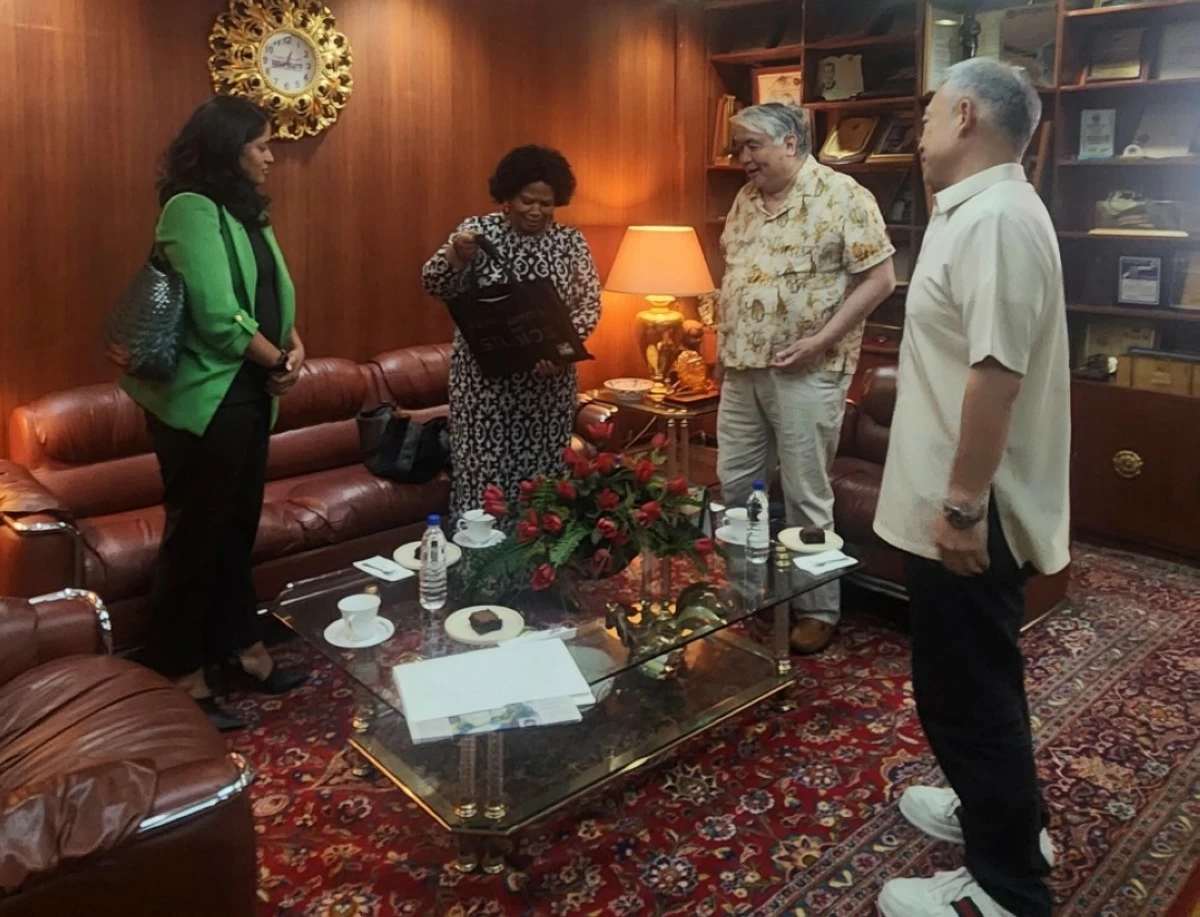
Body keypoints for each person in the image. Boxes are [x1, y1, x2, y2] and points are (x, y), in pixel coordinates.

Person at [873, 58, 1069, 917]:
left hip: (971, 514)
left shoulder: (993, 219)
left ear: (962, 115)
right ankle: (1002, 818)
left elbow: (996, 374)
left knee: (966, 694)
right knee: (976, 681)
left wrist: (959, 506)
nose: (916, 133)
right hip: (958, 503)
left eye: (925, 115)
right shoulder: (981, 211)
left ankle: (1006, 889)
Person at [121, 96, 309, 732]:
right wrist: (274, 357)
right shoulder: (189, 210)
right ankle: (179, 672)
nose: (270, 155)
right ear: (229, 148)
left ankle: (242, 651)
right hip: (205, 401)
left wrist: (293, 344)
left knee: (235, 533)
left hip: (251, 395)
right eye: (260, 144)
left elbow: (271, 296)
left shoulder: (247, 213)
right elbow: (217, 314)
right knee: (196, 540)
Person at [716, 103, 896, 654]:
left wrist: (821, 339)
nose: (743, 158)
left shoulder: (844, 197)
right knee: (734, 486)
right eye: (739, 147)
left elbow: (881, 279)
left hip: (809, 372)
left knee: (805, 495)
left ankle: (817, 607)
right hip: (743, 369)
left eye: (753, 146)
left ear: (791, 143)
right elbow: (735, 275)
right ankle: (748, 594)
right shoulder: (745, 200)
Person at [422, 145, 601, 519]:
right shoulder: (477, 234)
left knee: (542, 489)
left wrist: (559, 355)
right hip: (486, 394)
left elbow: (589, 306)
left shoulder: (571, 243)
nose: (536, 211)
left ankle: (538, 571)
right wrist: (457, 256)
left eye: (546, 203)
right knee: (483, 489)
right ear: (507, 197)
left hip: (547, 393)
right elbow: (435, 284)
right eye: (527, 201)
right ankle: (479, 573)